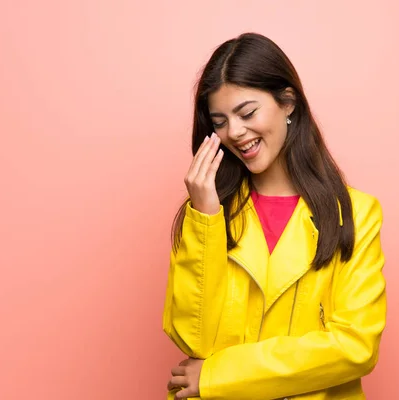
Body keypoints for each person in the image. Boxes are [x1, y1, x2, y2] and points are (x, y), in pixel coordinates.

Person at [162, 32, 386, 400]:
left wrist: (219, 376)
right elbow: (192, 339)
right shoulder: (209, 214)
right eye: (219, 121)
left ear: (288, 103)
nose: (234, 132)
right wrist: (205, 217)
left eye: (247, 112)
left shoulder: (356, 214)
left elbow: (355, 346)